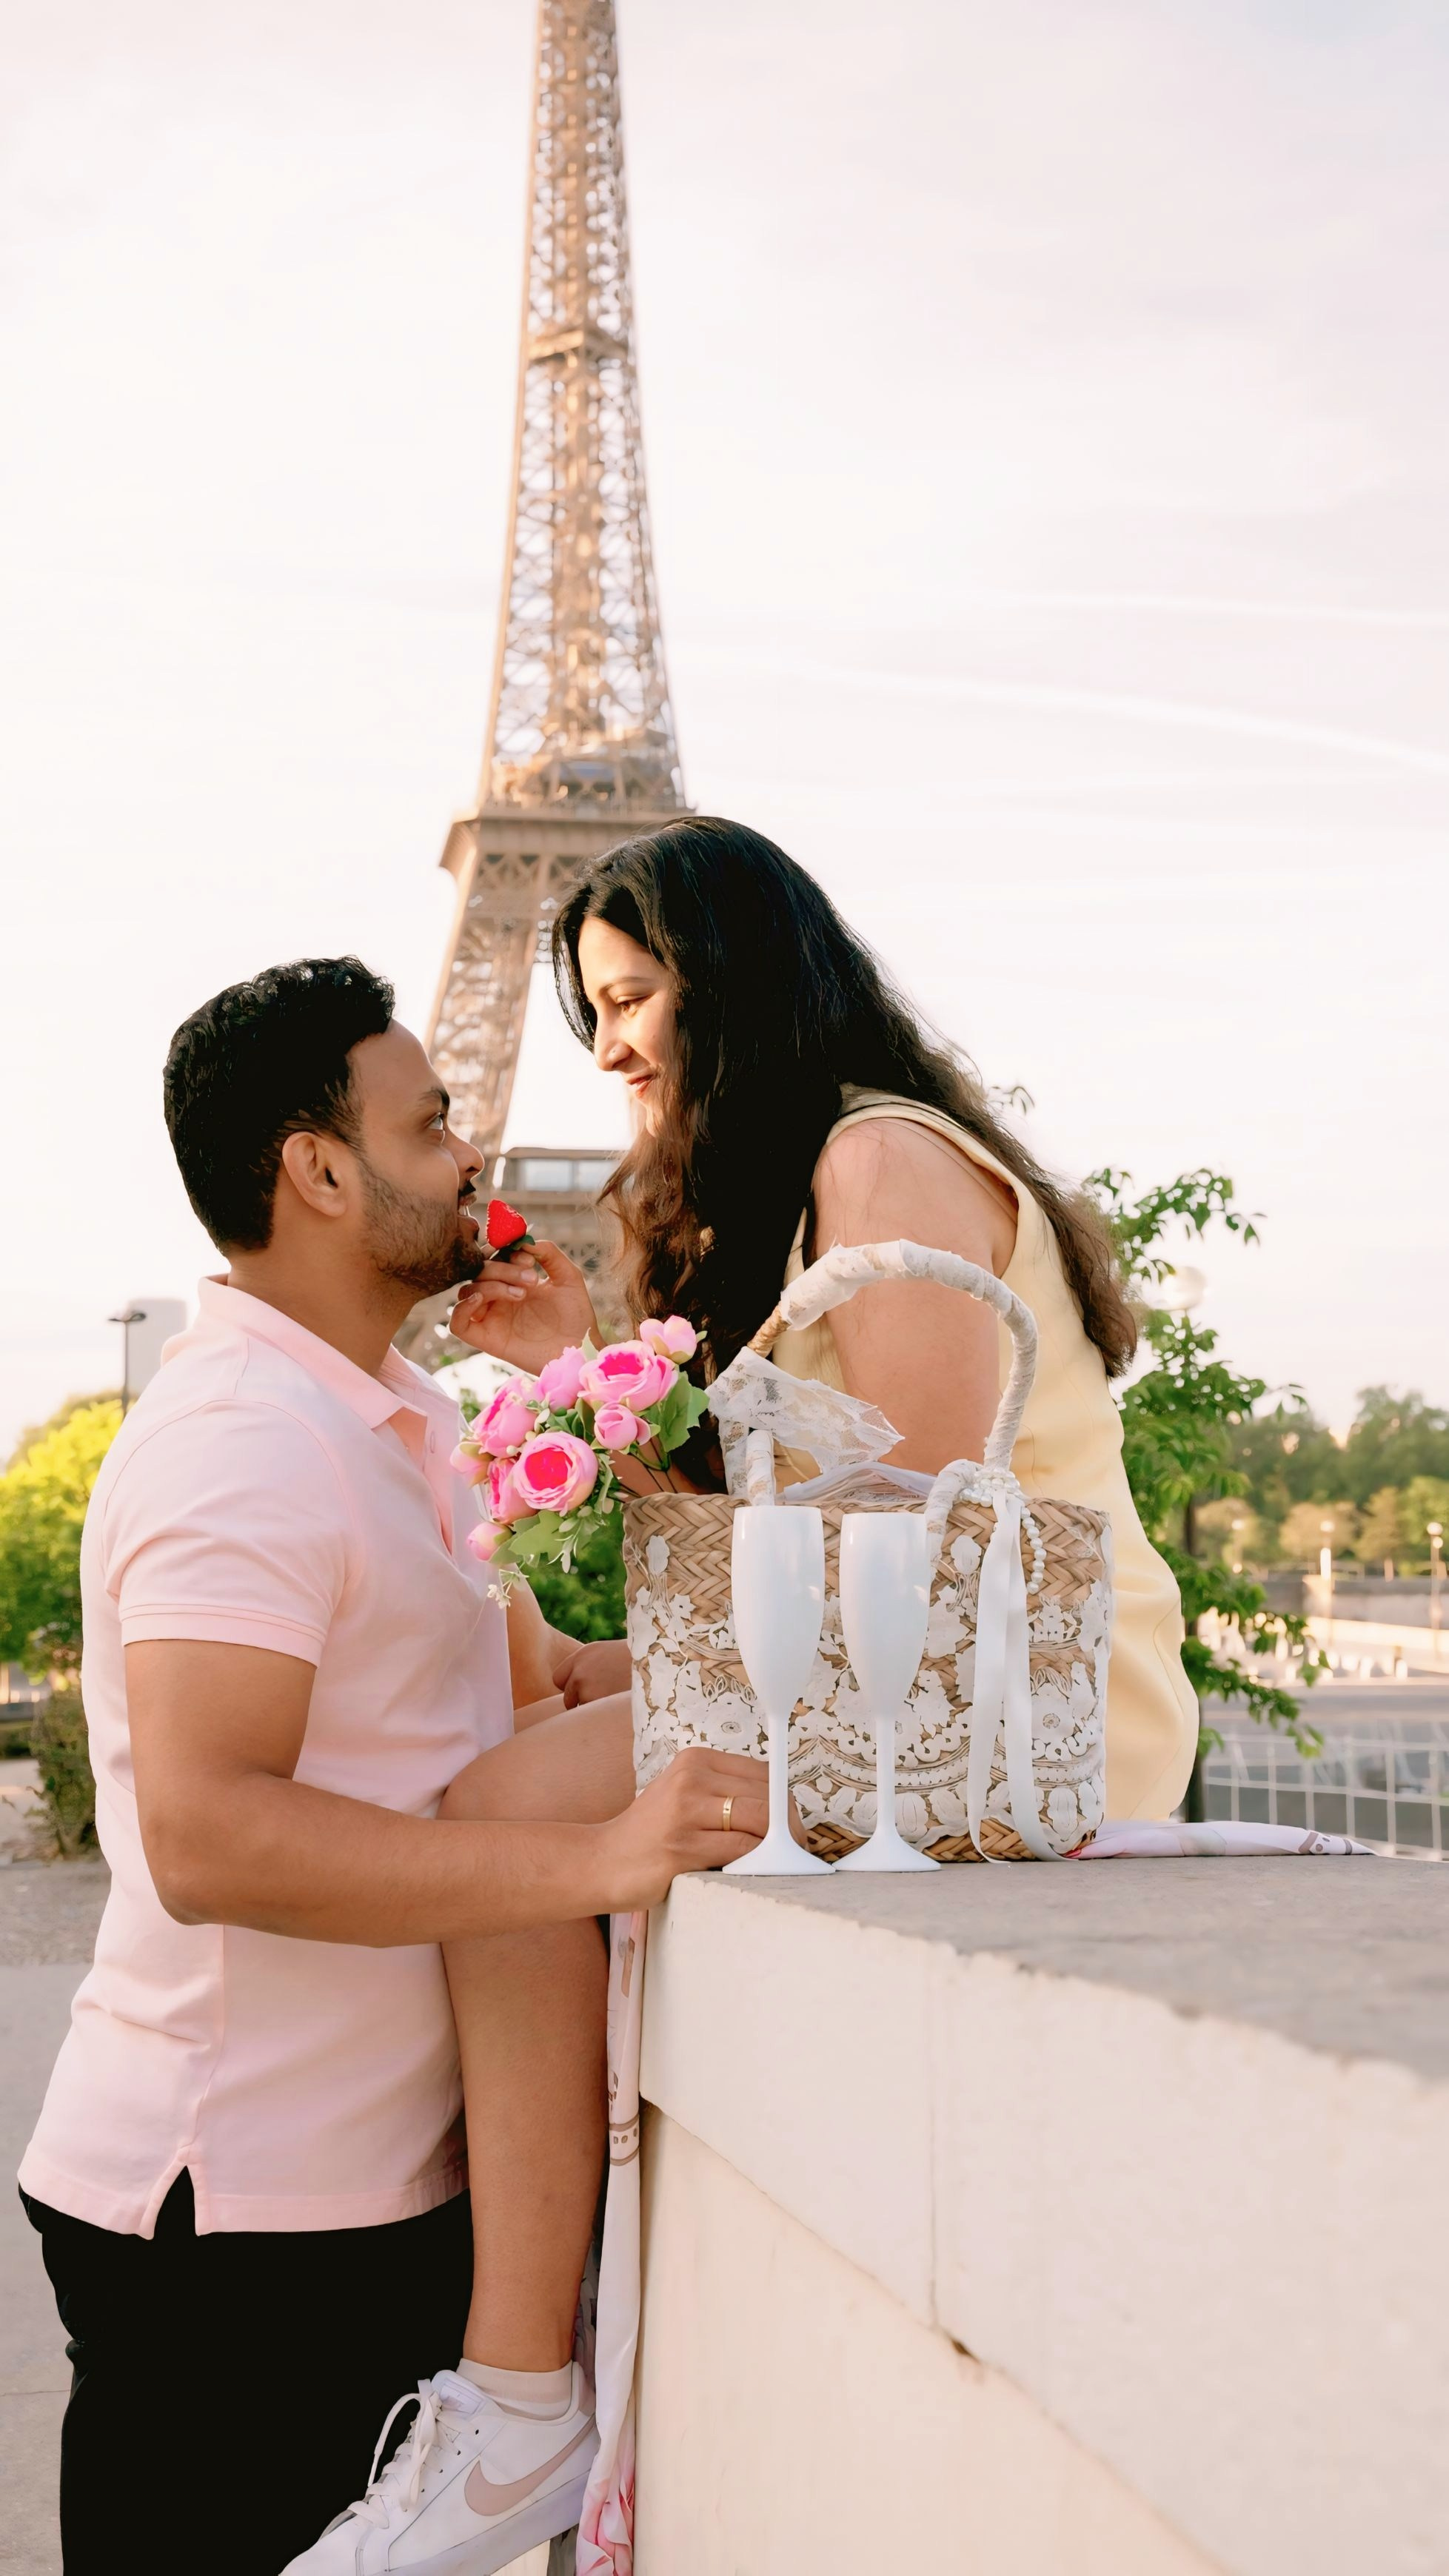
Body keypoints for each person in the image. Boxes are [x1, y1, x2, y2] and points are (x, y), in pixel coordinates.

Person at [290, 811, 1199, 2566]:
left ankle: (517, 2394)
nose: (615, 1046)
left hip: (1040, 1696)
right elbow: (777, 1562)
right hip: (920, 1666)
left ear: (739, 980)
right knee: (547, 1746)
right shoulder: (827, 1182)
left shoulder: (877, 1164)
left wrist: (631, 1539)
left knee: (499, 1817)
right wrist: (580, 1379)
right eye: (596, 1011)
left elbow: (904, 1534)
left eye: (635, 999)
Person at [19, 957, 769, 2576]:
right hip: (235, 2222)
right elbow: (208, 1837)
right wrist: (596, 1859)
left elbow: (558, 1684)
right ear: (320, 1170)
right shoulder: (243, 1441)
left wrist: (796, 1635)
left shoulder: (395, 1417)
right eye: (430, 1123)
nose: (471, 1154)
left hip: (367, 2198)